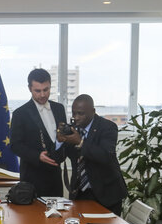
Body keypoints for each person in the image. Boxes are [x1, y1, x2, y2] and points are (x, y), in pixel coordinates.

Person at [57, 94, 127, 215]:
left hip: (106, 194)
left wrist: (80, 142)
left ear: (93, 111)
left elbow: (105, 156)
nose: (76, 117)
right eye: (73, 113)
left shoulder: (107, 127)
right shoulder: (73, 129)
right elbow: (62, 157)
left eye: (80, 113)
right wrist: (60, 141)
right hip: (81, 192)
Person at [10, 68, 66, 197]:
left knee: (57, 216)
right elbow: (15, 145)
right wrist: (37, 156)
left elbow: (62, 138)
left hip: (55, 177)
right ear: (29, 88)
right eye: (38, 91)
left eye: (46, 90)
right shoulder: (20, 113)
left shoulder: (59, 109)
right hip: (31, 178)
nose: (42, 95)